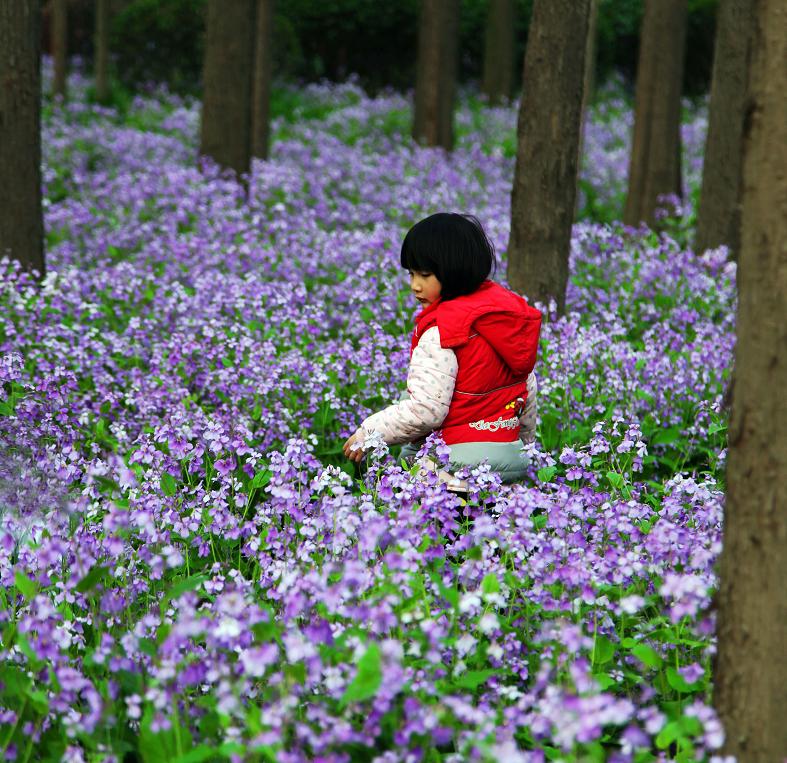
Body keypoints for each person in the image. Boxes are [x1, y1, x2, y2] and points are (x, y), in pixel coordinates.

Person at [343, 212, 542, 485]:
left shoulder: (443, 331)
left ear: (453, 272)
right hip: (509, 458)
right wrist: (525, 446)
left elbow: (426, 410)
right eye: (411, 274)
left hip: (452, 463)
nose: (415, 285)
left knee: (426, 513)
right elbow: (526, 388)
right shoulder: (506, 321)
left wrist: (370, 432)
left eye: (425, 274)